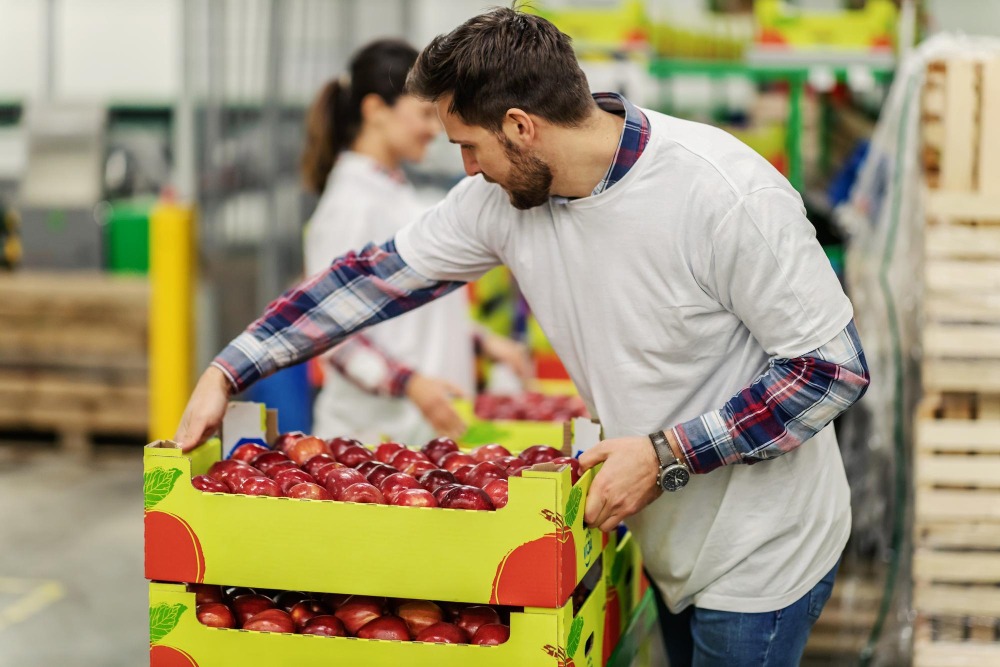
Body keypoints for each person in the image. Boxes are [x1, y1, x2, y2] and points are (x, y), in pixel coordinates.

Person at [175, 8, 870, 666]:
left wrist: (665, 455)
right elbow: (373, 278)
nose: (467, 168)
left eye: (470, 147)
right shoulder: (500, 202)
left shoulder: (720, 193)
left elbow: (830, 367)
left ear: (520, 126)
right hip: (669, 536)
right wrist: (231, 368)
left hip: (762, 549)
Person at [299, 39, 530, 444]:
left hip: (413, 435)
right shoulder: (350, 204)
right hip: (371, 442)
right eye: (424, 114)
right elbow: (331, 332)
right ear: (375, 111)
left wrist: (479, 340)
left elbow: (406, 308)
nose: (433, 129)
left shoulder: (394, 192)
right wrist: (410, 384)